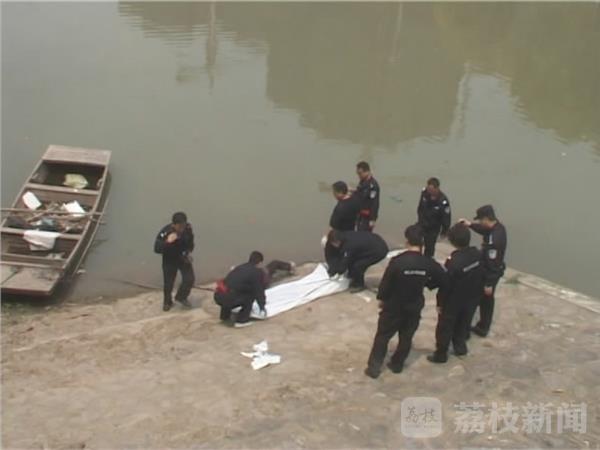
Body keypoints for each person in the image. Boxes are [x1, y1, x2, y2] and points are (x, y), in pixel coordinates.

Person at [365, 224, 446, 378]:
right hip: (414, 305)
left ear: (407, 241)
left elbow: (386, 284)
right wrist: (428, 284)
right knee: (406, 337)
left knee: (383, 336)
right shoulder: (427, 262)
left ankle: (374, 368)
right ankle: (397, 364)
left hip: (394, 306)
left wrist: (382, 299)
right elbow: (443, 278)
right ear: (422, 244)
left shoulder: (397, 262)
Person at [427, 223, 484, 363]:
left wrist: (440, 303)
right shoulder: (478, 255)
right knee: (464, 323)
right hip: (472, 298)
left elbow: (446, 285)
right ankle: (460, 347)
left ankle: (441, 354)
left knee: (445, 328)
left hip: (453, 301)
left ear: (453, 241)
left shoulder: (454, 262)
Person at [459, 205, 507, 337]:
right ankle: (483, 326)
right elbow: (484, 230)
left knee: (480, 300)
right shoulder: (498, 228)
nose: (480, 222)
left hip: (489, 273)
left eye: (480, 220)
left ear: (486, 218)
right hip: (490, 270)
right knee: (486, 300)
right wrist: (470, 225)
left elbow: (493, 263)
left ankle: (476, 328)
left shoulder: (494, 240)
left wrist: (489, 283)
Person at [154, 212, 195, 311]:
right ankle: (167, 302)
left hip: (182, 257)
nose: (181, 229)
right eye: (179, 227)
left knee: (189, 279)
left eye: (183, 226)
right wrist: (167, 242)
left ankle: (181, 297)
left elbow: (190, 243)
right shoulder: (165, 232)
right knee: (168, 283)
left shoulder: (188, 229)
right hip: (169, 259)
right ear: (173, 225)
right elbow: (156, 248)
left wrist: (187, 253)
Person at [213, 251, 267, 328]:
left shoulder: (239, 267)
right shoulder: (256, 272)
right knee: (250, 295)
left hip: (218, 296)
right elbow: (259, 291)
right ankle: (241, 320)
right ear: (260, 262)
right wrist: (262, 307)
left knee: (230, 291)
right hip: (229, 299)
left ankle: (224, 316)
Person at [417, 177, 451, 258]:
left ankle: (428, 260)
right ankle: (418, 258)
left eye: (431, 190)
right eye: (428, 189)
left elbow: (446, 217)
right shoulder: (424, 193)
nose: (429, 191)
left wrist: (444, 231)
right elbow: (420, 207)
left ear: (437, 188)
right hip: (422, 223)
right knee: (416, 241)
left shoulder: (443, 201)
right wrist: (420, 218)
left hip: (433, 228)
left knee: (429, 246)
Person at [353, 161, 380, 231]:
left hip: (367, 217)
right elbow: (359, 192)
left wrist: (373, 219)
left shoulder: (373, 186)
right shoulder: (362, 181)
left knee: (364, 234)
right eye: (357, 173)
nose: (359, 175)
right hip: (359, 214)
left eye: (360, 173)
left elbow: (374, 203)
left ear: (367, 171)